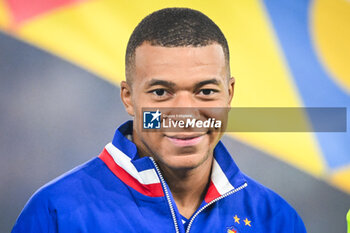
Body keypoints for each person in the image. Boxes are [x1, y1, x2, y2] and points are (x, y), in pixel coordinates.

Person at [11, 8, 306, 233]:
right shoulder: (57, 212)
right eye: (162, 92)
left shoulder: (275, 217)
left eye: (205, 91)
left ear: (229, 95)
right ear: (128, 97)